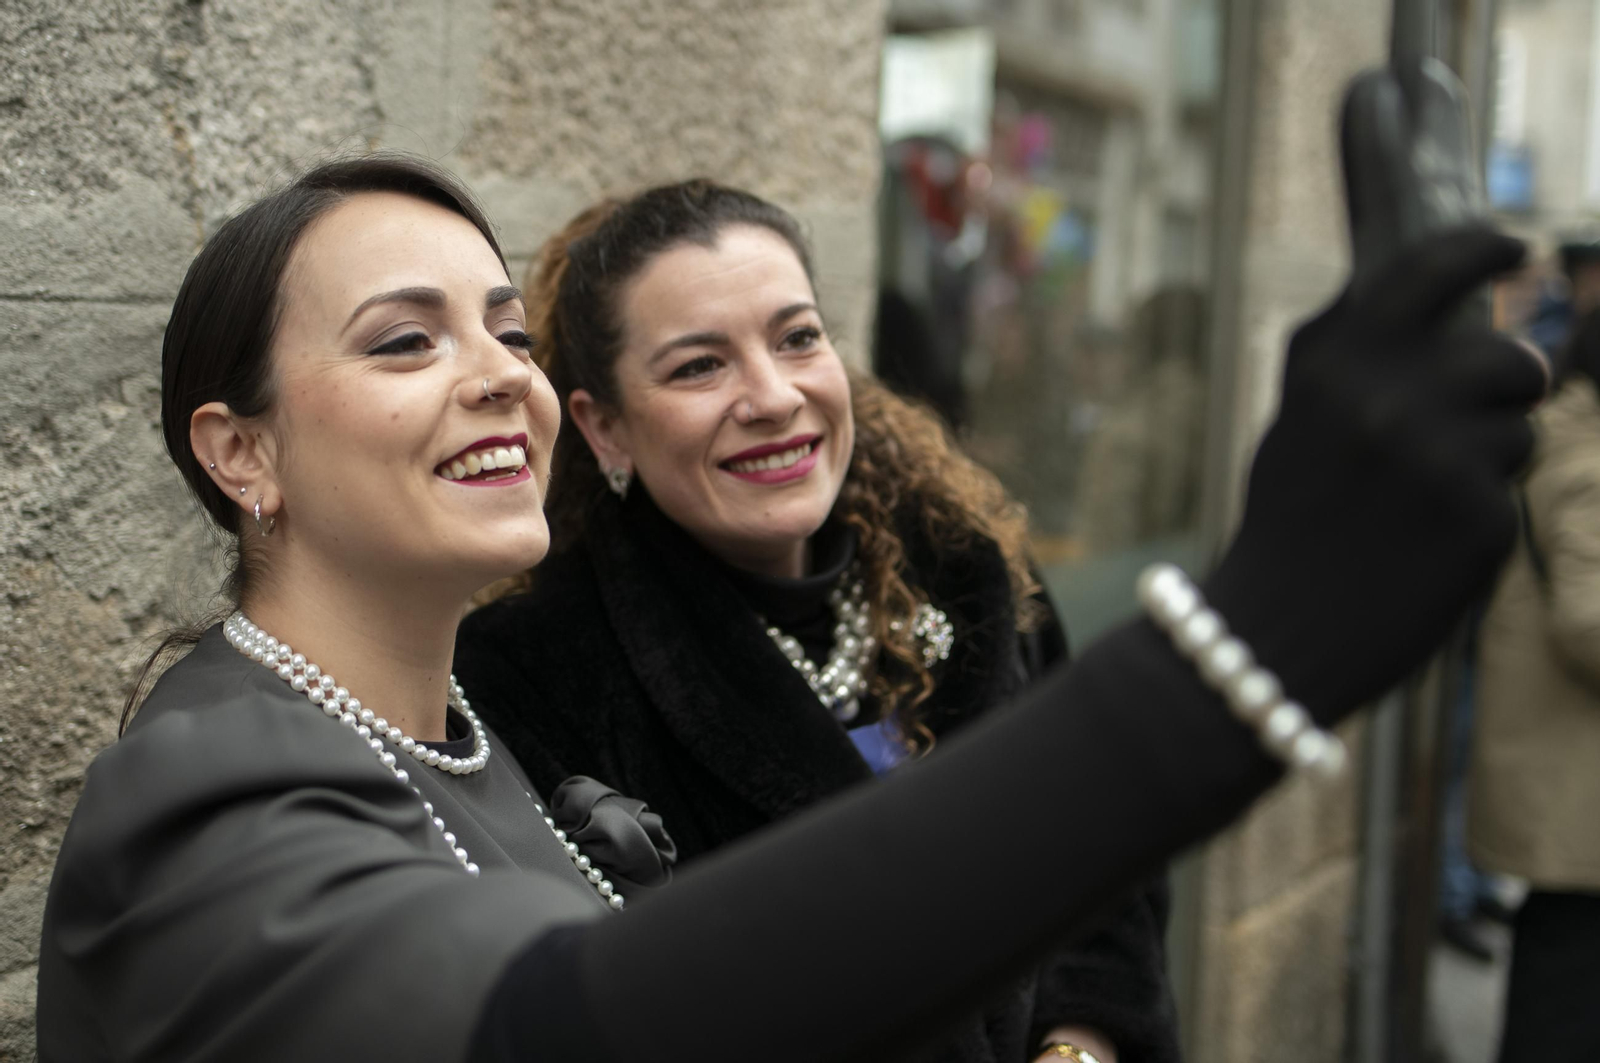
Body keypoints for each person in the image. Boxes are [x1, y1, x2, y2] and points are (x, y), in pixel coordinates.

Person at [35, 132, 1541, 1063]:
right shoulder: (201, 791)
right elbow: (571, 1022)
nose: (495, 369)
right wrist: (1230, 661)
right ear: (242, 453)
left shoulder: (458, 741)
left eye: (501, 325)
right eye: (403, 341)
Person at [454, 180, 1177, 1063]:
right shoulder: (535, 674)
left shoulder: (974, 572)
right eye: (698, 365)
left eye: (797, 338)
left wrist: (1082, 1047)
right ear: (605, 430)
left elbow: (1101, 846)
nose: (771, 395)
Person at [1471, 303, 1600, 1063]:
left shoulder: (1568, 439)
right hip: (1575, 784)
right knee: (1568, 986)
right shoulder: (1588, 464)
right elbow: (1590, 622)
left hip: (1570, 778)